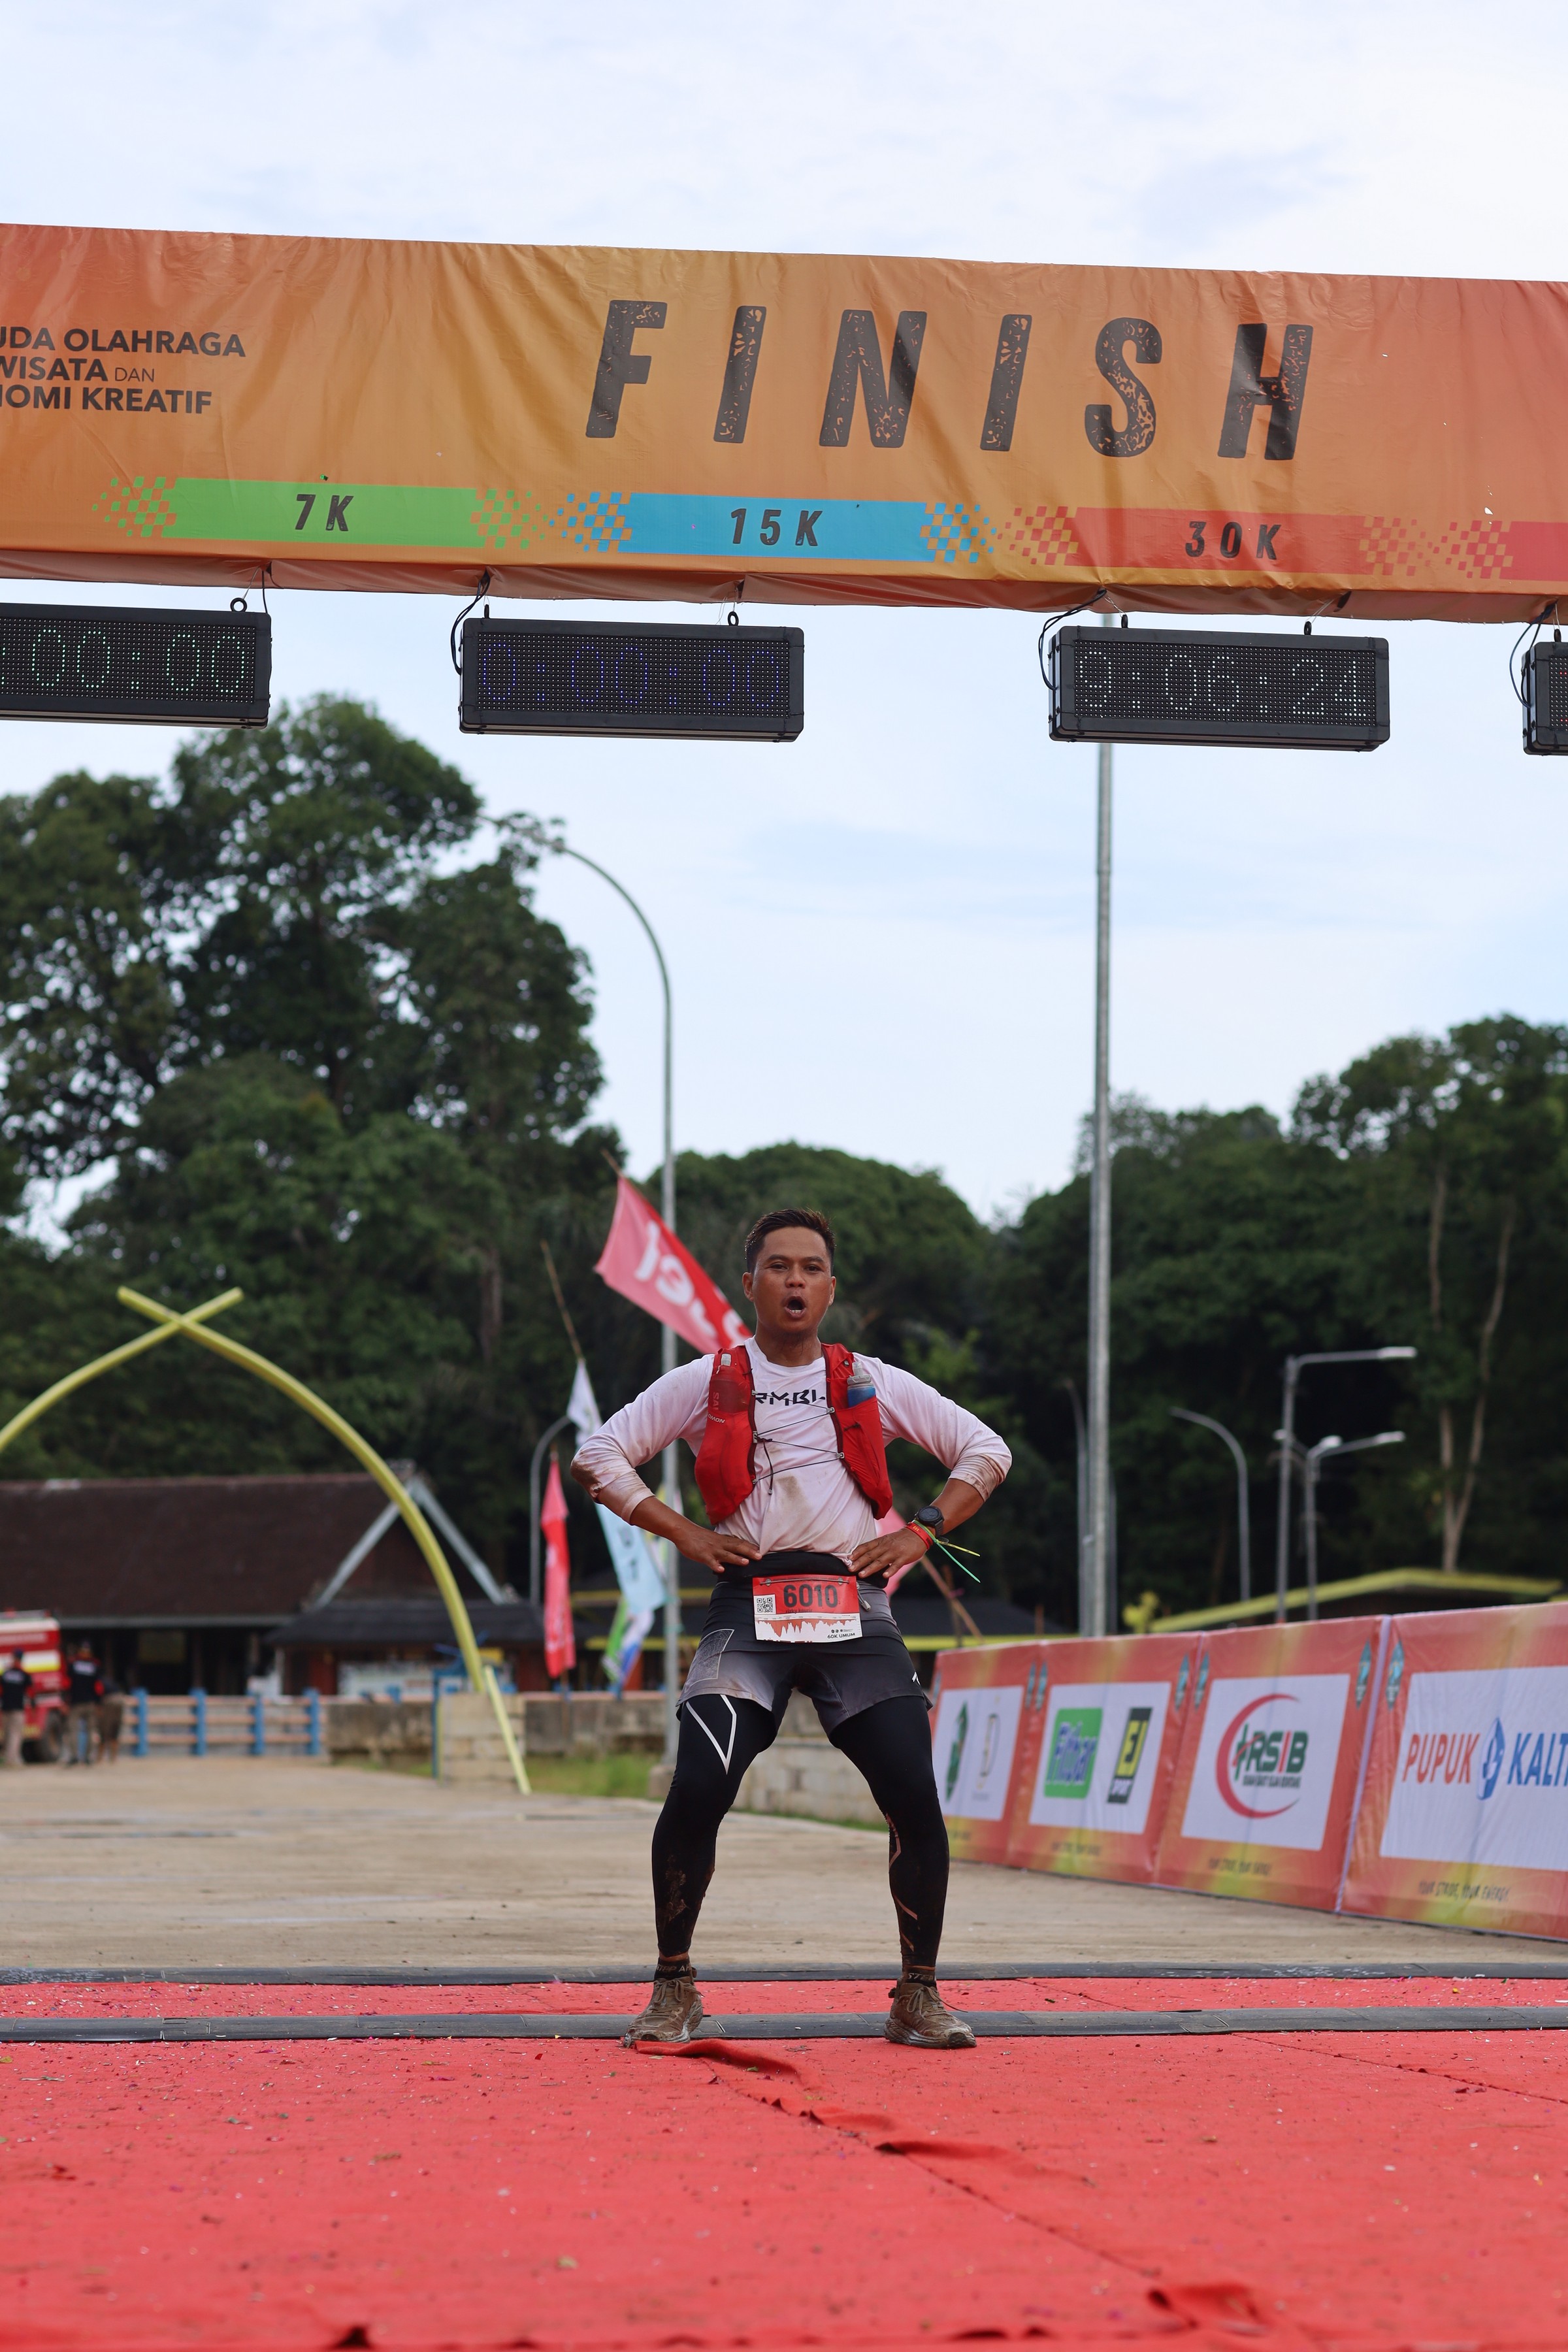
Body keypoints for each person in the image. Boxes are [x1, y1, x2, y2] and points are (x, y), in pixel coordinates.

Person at [572, 1207, 1011, 2051]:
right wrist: (685, 1534)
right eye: (779, 1267)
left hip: (855, 1610)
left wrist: (920, 1532)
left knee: (914, 1795)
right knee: (699, 1785)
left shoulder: (872, 1381)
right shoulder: (705, 1381)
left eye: (812, 1268)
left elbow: (986, 1451)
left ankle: (918, 1994)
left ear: (831, 1289)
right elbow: (599, 1456)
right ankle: (673, 1988)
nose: (796, 1281)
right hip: (748, 1607)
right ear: (751, 1285)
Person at [64, 1643, 102, 1766]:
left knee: (74, 1730)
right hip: (88, 1703)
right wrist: (98, 1704)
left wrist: (66, 1701)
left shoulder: (73, 1665)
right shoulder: (94, 1666)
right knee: (90, 1731)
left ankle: (75, 1757)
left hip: (77, 1703)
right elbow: (98, 1687)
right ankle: (87, 1757)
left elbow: (67, 1684)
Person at [1, 1650, 30, 1769]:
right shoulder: (24, 1675)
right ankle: (12, 1759)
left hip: (6, 1708)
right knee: (15, 1734)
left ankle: (8, 1757)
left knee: (8, 1734)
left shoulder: (6, 1674)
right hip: (18, 1709)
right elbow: (30, 1690)